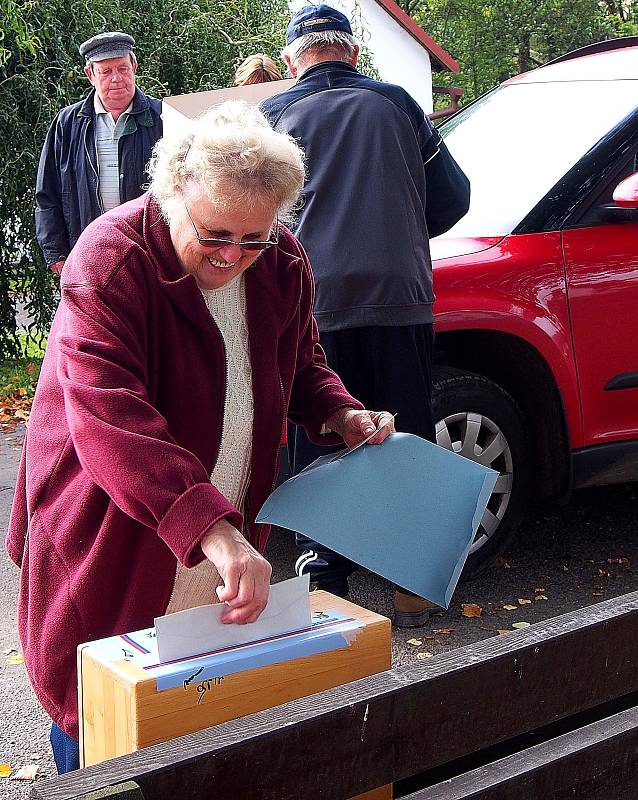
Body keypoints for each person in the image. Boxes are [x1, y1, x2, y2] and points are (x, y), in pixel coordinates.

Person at [6, 100, 394, 773]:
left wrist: (338, 411)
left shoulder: (282, 260)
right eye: (215, 234)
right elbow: (111, 416)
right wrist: (212, 527)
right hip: (112, 534)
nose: (233, 256)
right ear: (170, 194)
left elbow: (298, 364)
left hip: (220, 543)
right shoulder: (111, 258)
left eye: (255, 237)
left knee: (197, 715)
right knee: (101, 730)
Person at [261, 5, 470, 627]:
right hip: (398, 295)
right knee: (403, 431)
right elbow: (454, 197)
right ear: (352, 53)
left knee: (322, 424)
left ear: (295, 57)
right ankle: (411, 583)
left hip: (313, 302)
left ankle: (325, 579)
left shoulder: (271, 117)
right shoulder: (400, 105)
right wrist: (402, 231)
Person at [35, 31, 163, 275]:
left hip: (151, 255)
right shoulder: (68, 123)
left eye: (123, 68)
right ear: (90, 75)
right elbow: (47, 195)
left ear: (134, 67)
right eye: (105, 71)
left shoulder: (162, 118)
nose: (116, 79)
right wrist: (57, 256)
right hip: (87, 254)